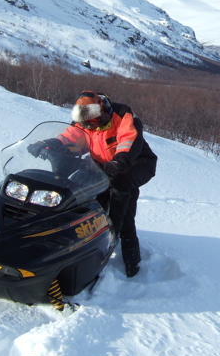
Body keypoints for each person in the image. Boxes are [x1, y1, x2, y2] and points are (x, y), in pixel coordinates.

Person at [35, 91, 157, 277]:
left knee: (123, 199)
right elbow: (71, 136)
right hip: (104, 164)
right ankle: (88, 239)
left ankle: (130, 258)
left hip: (137, 162)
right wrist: (49, 143)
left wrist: (120, 161)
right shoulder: (84, 119)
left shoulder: (123, 115)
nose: (90, 126)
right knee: (88, 198)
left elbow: (128, 139)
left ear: (102, 110)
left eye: (93, 122)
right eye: (86, 123)